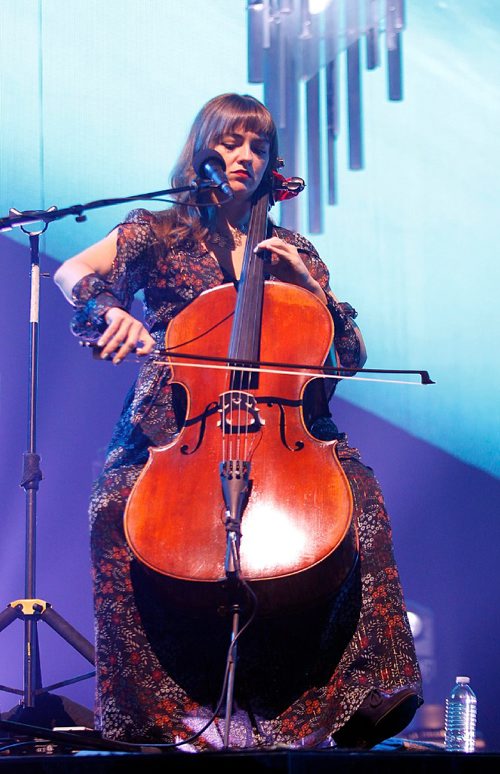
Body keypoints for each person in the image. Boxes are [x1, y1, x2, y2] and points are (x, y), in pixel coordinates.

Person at [54, 92, 423, 751]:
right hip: (175, 424)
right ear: (204, 151)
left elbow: (350, 357)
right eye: (231, 142)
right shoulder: (158, 232)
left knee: (362, 499)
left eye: (257, 145)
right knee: (112, 507)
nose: (244, 155)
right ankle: (153, 715)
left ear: (272, 163)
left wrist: (311, 292)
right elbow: (75, 272)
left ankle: (367, 691)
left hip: (284, 429)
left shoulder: (294, 250)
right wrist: (113, 311)